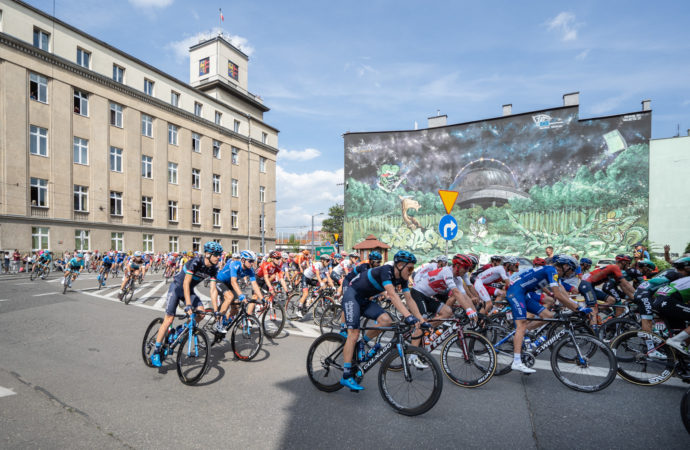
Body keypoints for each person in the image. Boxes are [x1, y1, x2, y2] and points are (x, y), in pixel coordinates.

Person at [340, 250, 428, 391]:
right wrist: (408, 316)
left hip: (365, 300)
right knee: (353, 333)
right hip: (353, 296)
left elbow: (409, 299)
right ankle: (346, 375)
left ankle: (362, 343)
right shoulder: (386, 270)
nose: (411, 271)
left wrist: (421, 320)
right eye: (410, 268)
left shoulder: (403, 278)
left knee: (386, 320)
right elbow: (392, 295)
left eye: (413, 268)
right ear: (399, 265)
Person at [505, 255, 591, 374]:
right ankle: (517, 361)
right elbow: (558, 295)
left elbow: (561, 292)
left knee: (549, 316)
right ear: (565, 266)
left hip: (525, 292)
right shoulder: (552, 270)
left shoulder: (553, 272)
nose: (571, 273)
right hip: (515, 292)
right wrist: (577, 308)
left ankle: (523, 336)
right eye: (571, 269)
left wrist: (575, 306)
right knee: (522, 324)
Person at [150, 242, 222, 367]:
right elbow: (186, 283)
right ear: (208, 254)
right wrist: (188, 304)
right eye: (216, 254)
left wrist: (216, 310)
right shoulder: (195, 262)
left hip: (189, 291)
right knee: (168, 320)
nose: (218, 257)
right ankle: (156, 351)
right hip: (177, 288)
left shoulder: (214, 268)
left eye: (219, 255)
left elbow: (213, 289)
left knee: (201, 313)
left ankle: (180, 330)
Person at [214, 250, 263, 334]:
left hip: (229, 284)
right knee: (230, 297)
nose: (252, 263)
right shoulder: (235, 264)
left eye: (253, 261)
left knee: (236, 308)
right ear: (243, 260)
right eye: (250, 261)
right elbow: (233, 282)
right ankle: (218, 323)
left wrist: (262, 299)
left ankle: (225, 320)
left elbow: (254, 284)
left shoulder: (250, 270)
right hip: (220, 281)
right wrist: (241, 295)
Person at [654, 257, 690, 355]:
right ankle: (675, 341)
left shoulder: (684, 279)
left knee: (682, 331)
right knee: (678, 337)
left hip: (660, 300)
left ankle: (677, 356)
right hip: (668, 301)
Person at [296, 253, 334, 318]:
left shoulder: (325, 267)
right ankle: (299, 310)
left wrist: (333, 286)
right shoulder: (317, 264)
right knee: (305, 294)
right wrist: (320, 282)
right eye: (327, 261)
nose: (328, 262)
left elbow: (328, 277)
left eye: (329, 261)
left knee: (326, 282)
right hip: (305, 277)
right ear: (322, 260)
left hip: (311, 279)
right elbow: (317, 274)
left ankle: (315, 293)